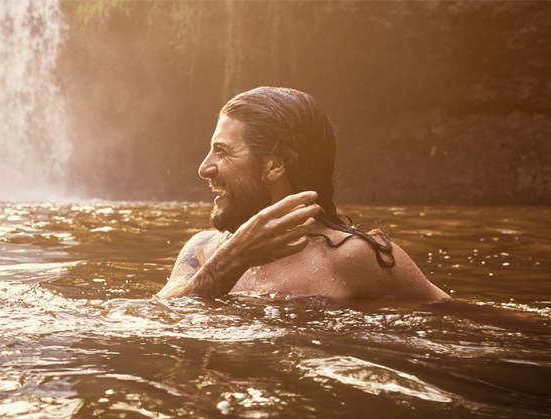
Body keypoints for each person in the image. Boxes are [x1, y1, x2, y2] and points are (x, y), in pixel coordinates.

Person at [158, 87, 450, 303]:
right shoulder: (202, 250)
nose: (204, 168)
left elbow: (461, 324)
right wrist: (232, 260)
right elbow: (158, 317)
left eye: (221, 151)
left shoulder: (352, 257)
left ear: (272, 166)